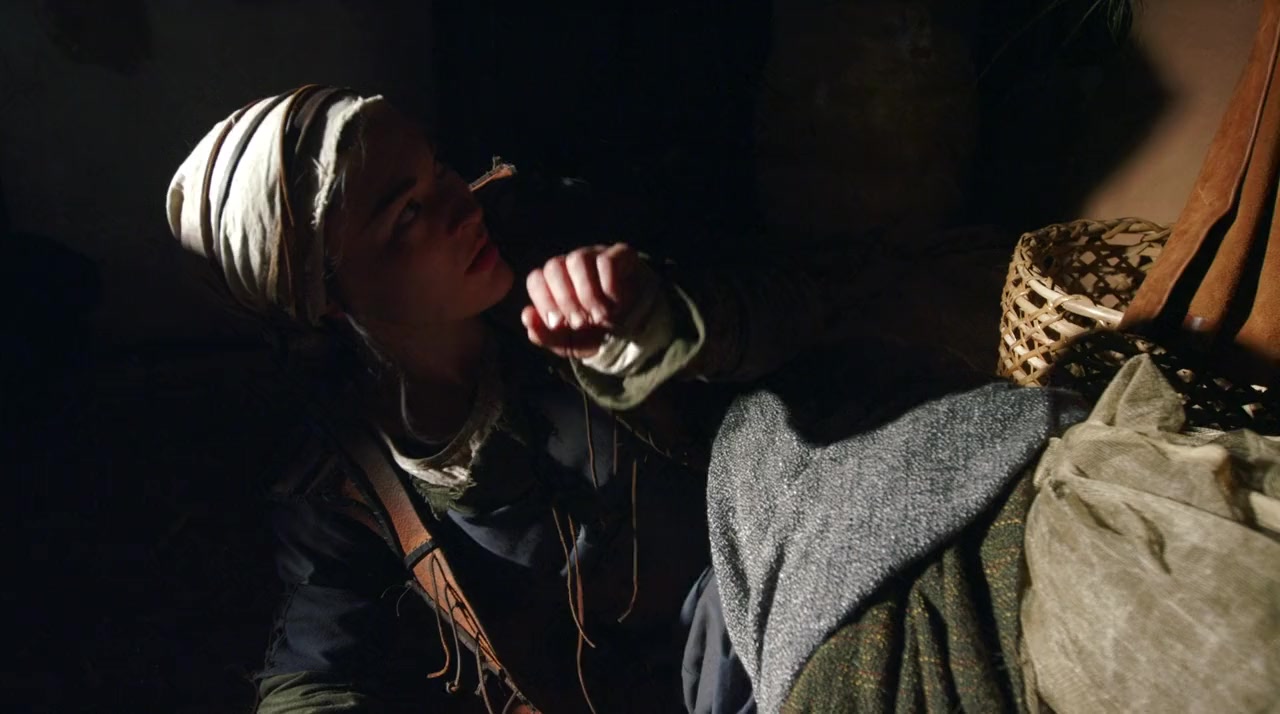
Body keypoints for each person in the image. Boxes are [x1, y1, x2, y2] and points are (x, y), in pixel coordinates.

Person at [166, 85, 836, 713]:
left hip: (784, 589)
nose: (464, 206)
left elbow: (797, 306)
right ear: (330, 301)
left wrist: (662, 320)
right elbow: (316, 658)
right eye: (408, 213)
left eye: (438, 170)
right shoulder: (343, 478)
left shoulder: (554, 238)